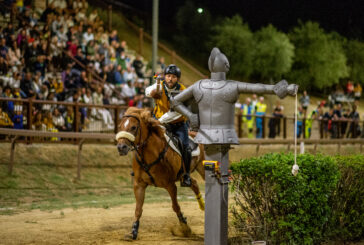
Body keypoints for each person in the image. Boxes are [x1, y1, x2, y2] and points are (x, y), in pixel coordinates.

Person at [145, 64, 191, 187]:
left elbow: (175, 112)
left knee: (185, 147)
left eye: (173, 77)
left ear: (178, 78)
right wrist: (153, 92)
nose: (170, 79)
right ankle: (142, 168)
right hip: (158, 120)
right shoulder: (160, 85)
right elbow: (147, 90)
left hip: (177, 124)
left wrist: (159, 121)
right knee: (145, 139)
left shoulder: (183, 91)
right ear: (165, 77)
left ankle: (186, 175)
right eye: (168, 76)